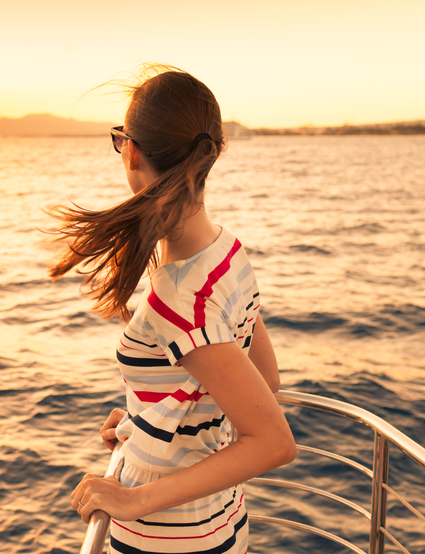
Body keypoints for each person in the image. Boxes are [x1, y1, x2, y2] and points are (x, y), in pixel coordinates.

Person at [49, 66, 296, 554]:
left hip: (166, 537)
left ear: (132, 150)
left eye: (120, 139)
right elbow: (263, 380)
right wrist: (142, 422)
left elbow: (273, 442)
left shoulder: (177, 296)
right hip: (220, 520)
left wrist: (133, 499)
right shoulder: (226, 254)